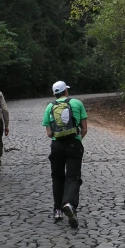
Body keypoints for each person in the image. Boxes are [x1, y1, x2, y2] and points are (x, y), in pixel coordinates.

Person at [42, 80, 88, 229]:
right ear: (66, 91)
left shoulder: (49, 107)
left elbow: (49, 133)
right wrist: (77, 139)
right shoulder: (77, 103)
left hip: (56, 146)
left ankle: (57, 210)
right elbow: (84, 128)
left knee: (57, 177)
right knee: (73, 177)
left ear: (54, 94)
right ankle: (69, 204)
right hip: (74, 144)